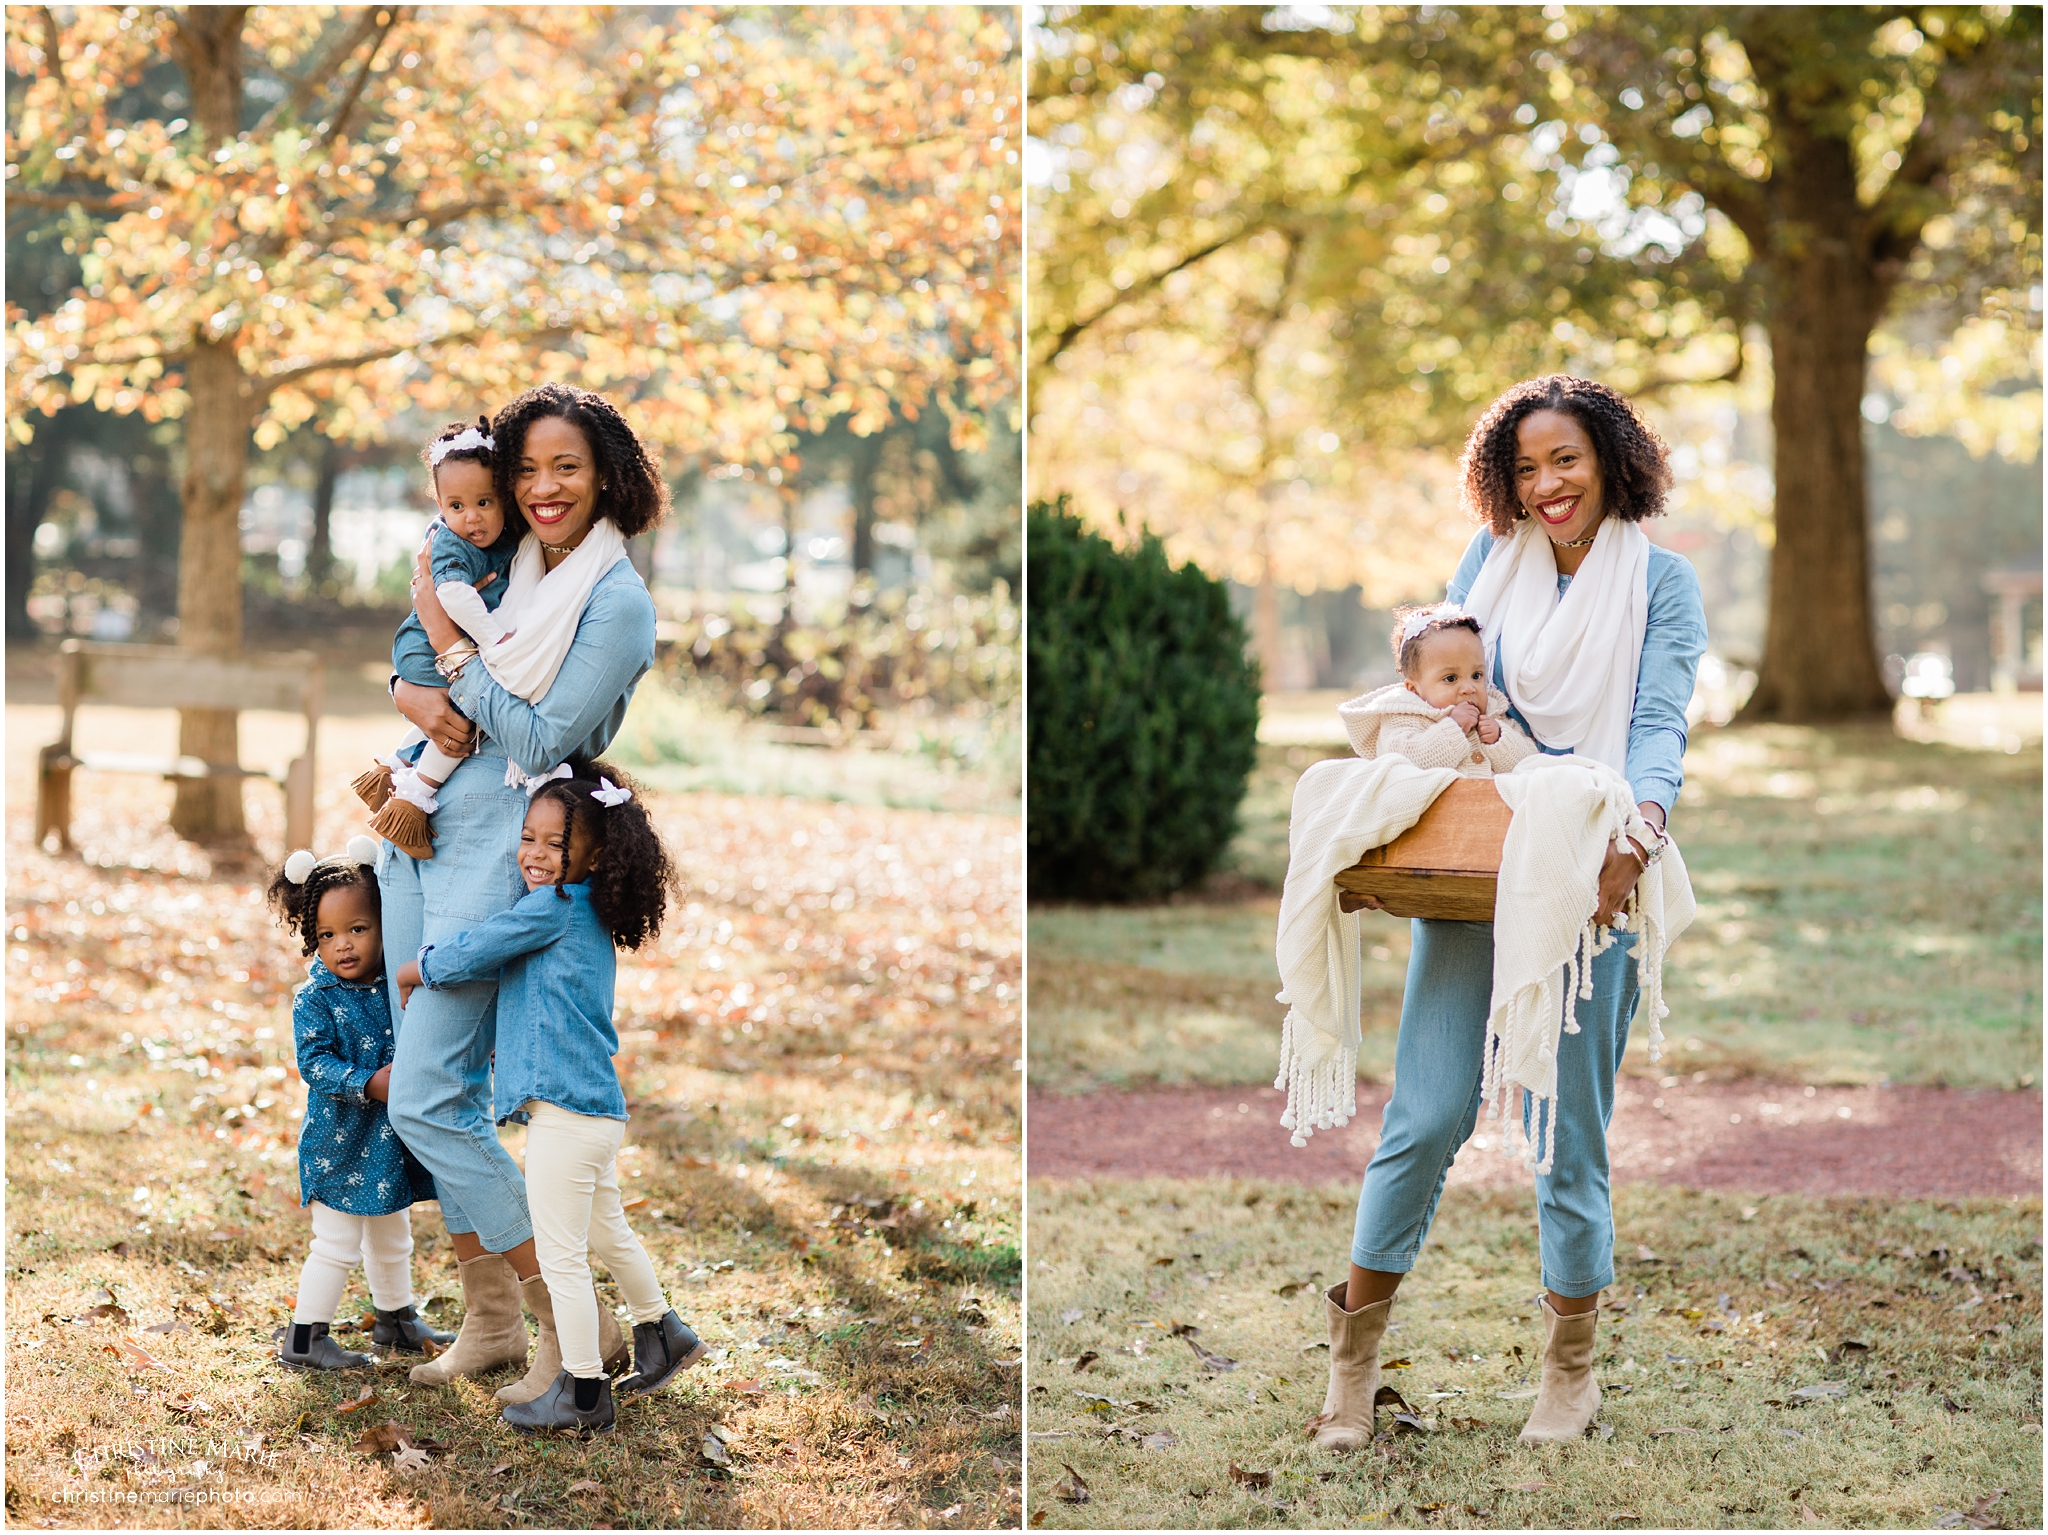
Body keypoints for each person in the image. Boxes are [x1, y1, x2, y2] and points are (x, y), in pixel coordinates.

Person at [1309, 374, 1706, 1451]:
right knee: (1425, 1113)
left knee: (1564, 1137)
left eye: (1563, 459)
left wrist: (1640, 827)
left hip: (1593, 868)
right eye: (1524, 466)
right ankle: (1349, 1371)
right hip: (1481, 865)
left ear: (1610, 459)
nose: (1545, 484)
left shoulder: (1662, 584)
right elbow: (1433, 679)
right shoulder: (1487, 567)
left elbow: (1657, 718)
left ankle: (1567, 1377)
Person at [378, 383, 666, 1393]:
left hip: (505, 845)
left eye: (567, 469)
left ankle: (566, 1316)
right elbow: (424, 663)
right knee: (437, 1089)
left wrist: (446, 654)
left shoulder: (614, 600)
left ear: (607, 476)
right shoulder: (510, 564)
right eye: (527, 469)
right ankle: (491, 1319)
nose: (542, 489)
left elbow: (541, 737)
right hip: (420, 827)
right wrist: (413, 683)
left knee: (423, 1100)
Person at [396, 764, 707, 1432]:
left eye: (554, 844)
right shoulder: (592, 911)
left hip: (566, 1116)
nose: (535, 855)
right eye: (527, 838)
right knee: (606, 1230)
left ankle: (584, 1392)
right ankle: (663, 1328)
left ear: (595, 853)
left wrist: (420, 966)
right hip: (598, 1110)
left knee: (563, 1254)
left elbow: (480, 947)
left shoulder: (551, 907)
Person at [264, 836, 451, 1370]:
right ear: (310, 938)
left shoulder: (393, 986)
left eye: (357, 929)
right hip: (340, 1142)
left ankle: (395, 1318)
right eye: (326, 935)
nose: (343, 945)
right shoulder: (317, 997)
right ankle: (305, 1338)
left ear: (384, 925)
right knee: (337, 1241)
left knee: (394, 1232)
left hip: (388, 1139)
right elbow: (315, 1064)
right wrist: (368, 1082)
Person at [355, 419, 524, 860]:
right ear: (439, 504)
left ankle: (391, 770)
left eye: (484, 502)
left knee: (450, 710)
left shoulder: (502, 535)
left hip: (430, 643)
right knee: (466, 716)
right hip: (425, 646)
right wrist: (495, 639)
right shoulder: (450, 542)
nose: (472, 517)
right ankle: (414, 797)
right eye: (456, 505)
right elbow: (450, 594)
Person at [1337, 605, 1538, 777]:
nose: (1469, 688)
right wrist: (1454, 728)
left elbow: (1531, 764)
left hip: (1490, 815)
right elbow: (1404, 764)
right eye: (1450, 679)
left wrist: (1500, 739)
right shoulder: (1404, 718)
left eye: (1476, 675)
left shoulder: (1495, 716)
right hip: (1436, 819)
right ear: (1414, 689)